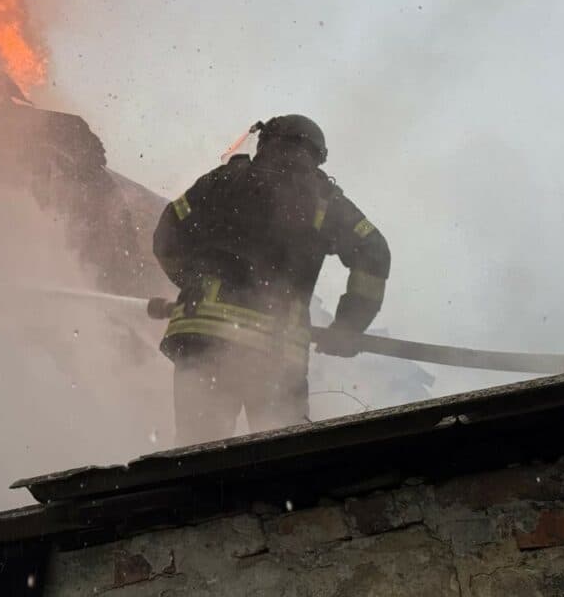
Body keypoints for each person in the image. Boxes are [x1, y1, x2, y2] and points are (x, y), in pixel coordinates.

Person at [152, 115, 391, 444]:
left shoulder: (221, 181)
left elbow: (167, 235)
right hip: (276, 352)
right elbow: (373, 252)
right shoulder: (325, 200)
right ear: (314, 155)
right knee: (279, 462)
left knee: (197, 457)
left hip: (203, 339)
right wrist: (348, 326)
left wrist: (194, 286)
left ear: (266, 143)